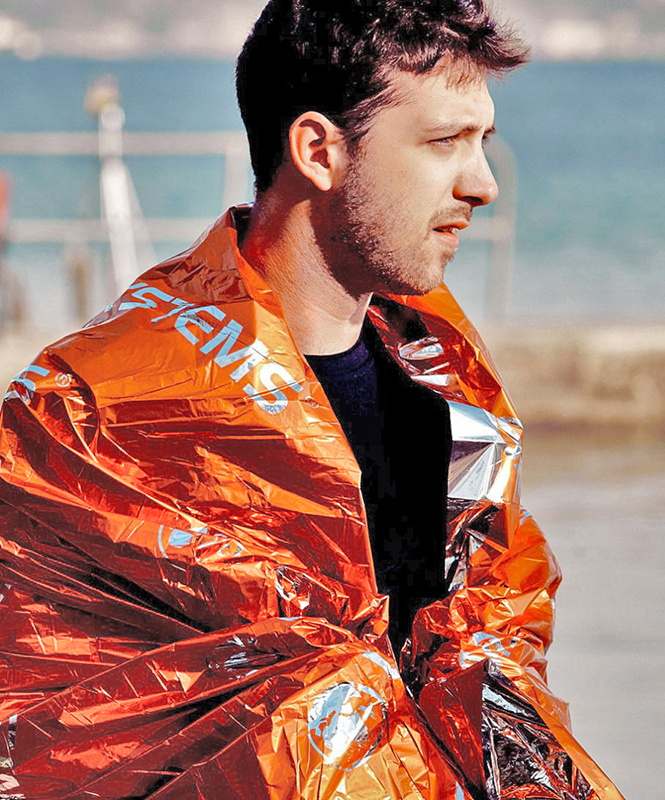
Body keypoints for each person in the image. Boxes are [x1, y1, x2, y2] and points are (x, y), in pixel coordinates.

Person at [0, 2, 624, 798]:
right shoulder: (91, 413)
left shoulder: (445, 400)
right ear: (319, 151)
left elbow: (486, 655)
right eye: (444, 142)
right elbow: (46, 716)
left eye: (483, 142)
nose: (484, 185)